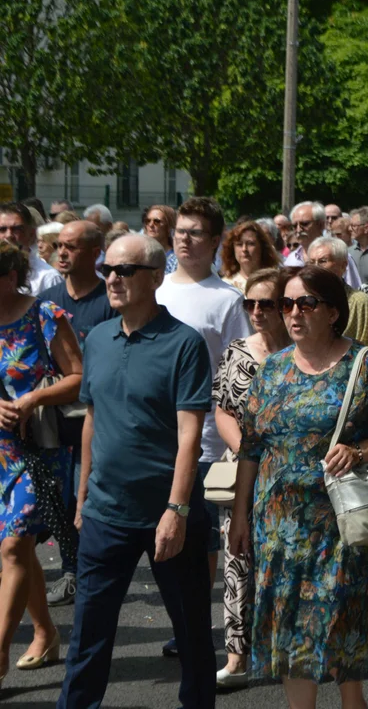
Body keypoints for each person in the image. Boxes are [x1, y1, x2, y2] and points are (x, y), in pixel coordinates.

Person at [229, 265, 368, 707]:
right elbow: (250, 447)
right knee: (293, 629)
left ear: (333, 312)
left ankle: (353, 702)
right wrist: (240, 516)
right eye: (286, 304)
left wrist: (359, 450)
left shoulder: (365, 363)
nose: (293, 313)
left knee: (340, 622)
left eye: (305, 303)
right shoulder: (272, 370)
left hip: (342, 524)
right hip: (279, 529)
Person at [57, 234, 214, 708]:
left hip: (169, 514)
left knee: (191, 635)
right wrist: (83, 498)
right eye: (108, 269)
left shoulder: (184, 343)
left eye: (124, 271)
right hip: (105, 512)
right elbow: (92, 420)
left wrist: (177, 510)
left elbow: (190, 438)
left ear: (155, 276)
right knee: (88, 636)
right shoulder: (98, 338)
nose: (112, 279)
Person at [155, 196, 250, 657]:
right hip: (156, 442)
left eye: (196, 232)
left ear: (214, 242)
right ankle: (186, 620)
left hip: (212, 444)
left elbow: (240, 372)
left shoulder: (227, 300)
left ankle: (198, 622)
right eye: (181, 230)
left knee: (205, 538)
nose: (185, 239)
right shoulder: (154, 290)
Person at [0, 241, 82, 687]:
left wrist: (33, 397)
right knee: (18, 548)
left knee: (13, 548)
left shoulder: (44, 316)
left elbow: (77, 377)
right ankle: (46, 632)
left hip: (35, 449)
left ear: (11, 277)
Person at [210, 268, 291, 689]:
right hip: (243, 473)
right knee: (237, 561)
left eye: (267, 303)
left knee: (289, 561)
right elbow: (221, 408)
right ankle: (237, 657)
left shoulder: (306, 354)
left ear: (286, 306)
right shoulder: (237, 351)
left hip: (293, 474)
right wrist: (246, 451)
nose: (256, 311)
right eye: (250, 303)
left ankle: (287, 649)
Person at [37, 222, 119, 608]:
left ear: (95, 251)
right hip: (54, 421)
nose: (62, 253)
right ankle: (71, 570)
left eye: (71, 246)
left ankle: (88, 570)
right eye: (58, 246)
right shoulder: (49, 300)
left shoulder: (110, 299)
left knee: (85, 498)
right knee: (58, 500)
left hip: (97, 417)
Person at [305, 237, 368, 357]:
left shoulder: (358, 301)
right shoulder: (302, 300)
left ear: (343, 266)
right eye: (311, 262)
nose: (315, 267)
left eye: (323, 261)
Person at [283, 201, 363, 288]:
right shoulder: (291, 260)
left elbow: (354, 290)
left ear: (320, 224)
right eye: (294, 226)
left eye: (304, 224)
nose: (298, 229)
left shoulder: (339, 254)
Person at [0, 202, 62, 296]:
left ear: (32, 234)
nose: (9, 235)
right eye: (2, 229)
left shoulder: (48, 277)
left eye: (17, 229)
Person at [219, 219, 280, 291]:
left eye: (250, 243)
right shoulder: (226, 285)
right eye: (239, 244)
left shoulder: (276, 281)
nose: (244, 249)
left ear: (262, 247)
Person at [143, 205, 179, 273]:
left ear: (169, 227)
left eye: (157, 221)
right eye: (147, 221)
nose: (151, 225)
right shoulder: (142, 258)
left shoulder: (176, 262)